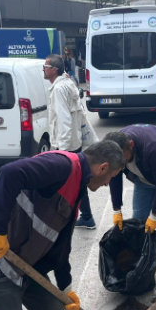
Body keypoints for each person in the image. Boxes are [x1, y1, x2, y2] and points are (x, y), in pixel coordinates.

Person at [0, 140, 125, 310]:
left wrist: (66, 287)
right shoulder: (63, 166)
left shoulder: (77, 188)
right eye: (111, 178)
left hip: (22, 262)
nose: (107, 184)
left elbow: (61, 245)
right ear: (102, 167)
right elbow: (10, 173)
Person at [104, 125, 156, 291]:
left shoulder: (152, 148)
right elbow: (114, 177)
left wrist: (155, 214)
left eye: (123, 157)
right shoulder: (115, 147)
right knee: (138, 222)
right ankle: (140, 264)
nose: (120, 162)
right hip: (144, 178)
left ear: (131, 145)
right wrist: (116, 209)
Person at [43, 54, 97, 229]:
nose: (43, 69)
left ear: (54, 70)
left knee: (61, 181)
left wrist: (63, 151)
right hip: (75, 142)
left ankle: (61, 217)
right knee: (77, 180)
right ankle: (86, 216)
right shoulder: (68, 83)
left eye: (45, 67)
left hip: (66, 145)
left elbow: (64, 120)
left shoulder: (59, 89)